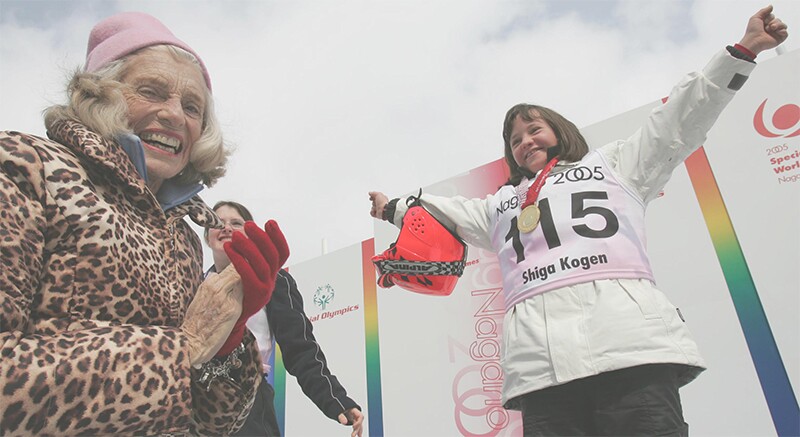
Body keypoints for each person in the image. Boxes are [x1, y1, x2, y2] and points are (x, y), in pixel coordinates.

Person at [369, 6, 788, 436]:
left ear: (559, 130)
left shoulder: (616, 165)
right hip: (542, 374)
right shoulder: (501, 206)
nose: (525, 141)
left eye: (534, 130)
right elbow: (445, 212)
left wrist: (743, 51)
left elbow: (678, 120)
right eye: (515, 140)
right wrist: (392, 208)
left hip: (630, 353)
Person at [0, 12, 288, 435]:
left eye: (192, 107)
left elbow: (212, 424)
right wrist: (183, 349)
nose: (174, 115)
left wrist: (227, 337)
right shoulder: (24, 165)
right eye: (151, 91)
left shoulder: (184, 237)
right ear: (99, 95)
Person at [205, 201, 365, 437]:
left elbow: (300, 349)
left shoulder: (272, 280)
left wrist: (335, 399)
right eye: (218, 223)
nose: (226, 227)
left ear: (250, 235)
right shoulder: (192, 286)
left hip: (246, 402)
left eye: (236, 223)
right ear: (207, 236)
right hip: (193, 402)